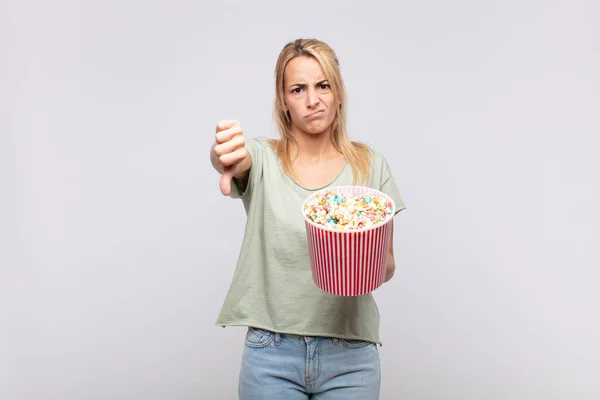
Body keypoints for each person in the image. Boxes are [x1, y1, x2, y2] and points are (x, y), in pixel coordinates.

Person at [209, 38, 406, 399]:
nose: (312, 100)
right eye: (298, 89)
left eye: (323, 85)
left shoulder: (370, 165)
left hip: (350, 355)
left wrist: (360, 263)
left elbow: (388, 264)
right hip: (271, 353)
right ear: (283, 101)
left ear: (339, 93)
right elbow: (236, 159)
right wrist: (224, 152)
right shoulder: (263, 157)